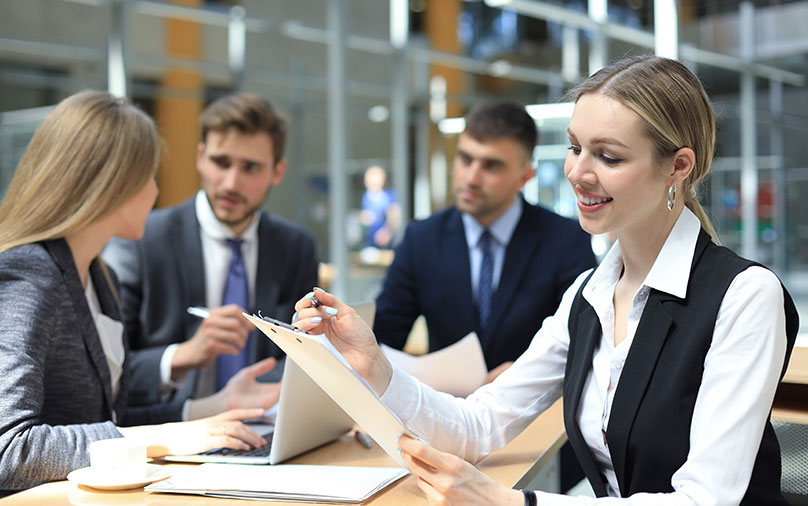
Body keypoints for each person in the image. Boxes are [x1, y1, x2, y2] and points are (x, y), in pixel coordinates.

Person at [294, 56, 799, 505]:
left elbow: (705, 499)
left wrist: (516, 504)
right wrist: (373, 364)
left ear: (678, 167)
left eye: (609, 156)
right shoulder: (588, 295)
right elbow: (478, 424)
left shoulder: (744, 296)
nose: (578, 172)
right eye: (576, 147)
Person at [0, 91, 269, 493]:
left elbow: (109, 418)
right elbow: (9, 450)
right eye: (148, 177)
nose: (155, 192)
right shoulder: (29, 275)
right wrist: (167, 438)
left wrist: (210, 410)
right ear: (114, 183)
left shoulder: (97, 275)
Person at [103, 93, 318, 417]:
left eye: (251, 168)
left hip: (264, 426)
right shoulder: (140, 239)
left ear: (277, 172)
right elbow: (103, 373)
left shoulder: (295, 247)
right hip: (172, 436)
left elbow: (301, 356)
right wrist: (181, 356)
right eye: (221, 162)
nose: (232, 183)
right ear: (201, 157)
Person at [373, 101, 596, 383]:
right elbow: (384, 335)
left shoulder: (565, 240)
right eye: (465, 159)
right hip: (447, 412)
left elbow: (583, 340)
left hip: (532, 410)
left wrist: (525, 372)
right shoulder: (422, 239)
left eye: (491, 166)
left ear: (524, 176)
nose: (471, 178)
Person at [360, 165, 400, 249]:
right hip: (369, 241)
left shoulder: (389, 196)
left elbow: (394, 216)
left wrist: (387, 232)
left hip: (386, 242)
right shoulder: (366, 197)